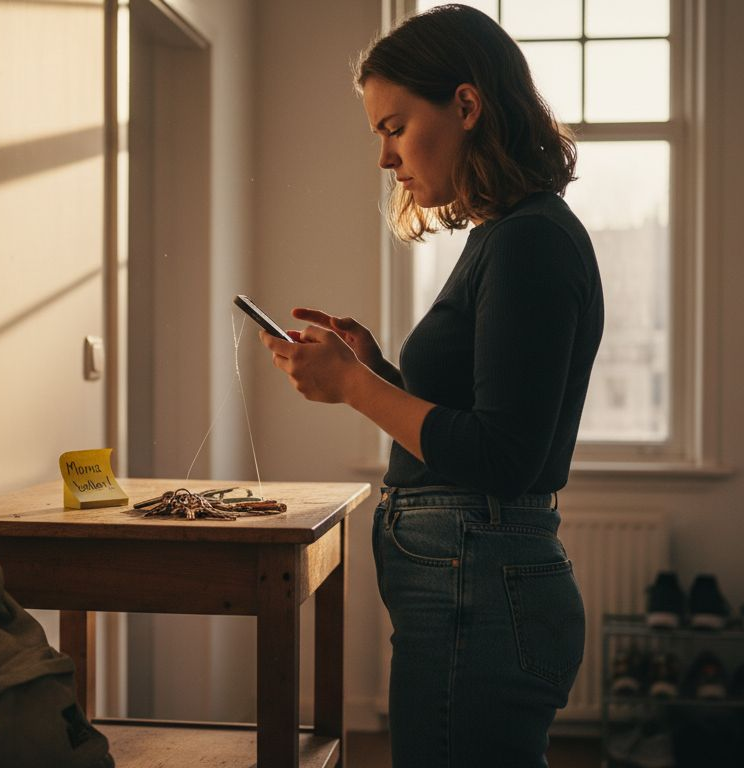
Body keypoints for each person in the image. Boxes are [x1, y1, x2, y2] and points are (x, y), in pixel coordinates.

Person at [258, 5, 603, 766]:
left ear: (467, 106)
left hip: (477, 583)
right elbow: (475, 421)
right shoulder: (508, 234)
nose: (386, 158)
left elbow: (504, 454)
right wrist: (378, 372)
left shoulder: (530, 240)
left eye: (394, 126)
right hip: (470, 580)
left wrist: (354, 386)